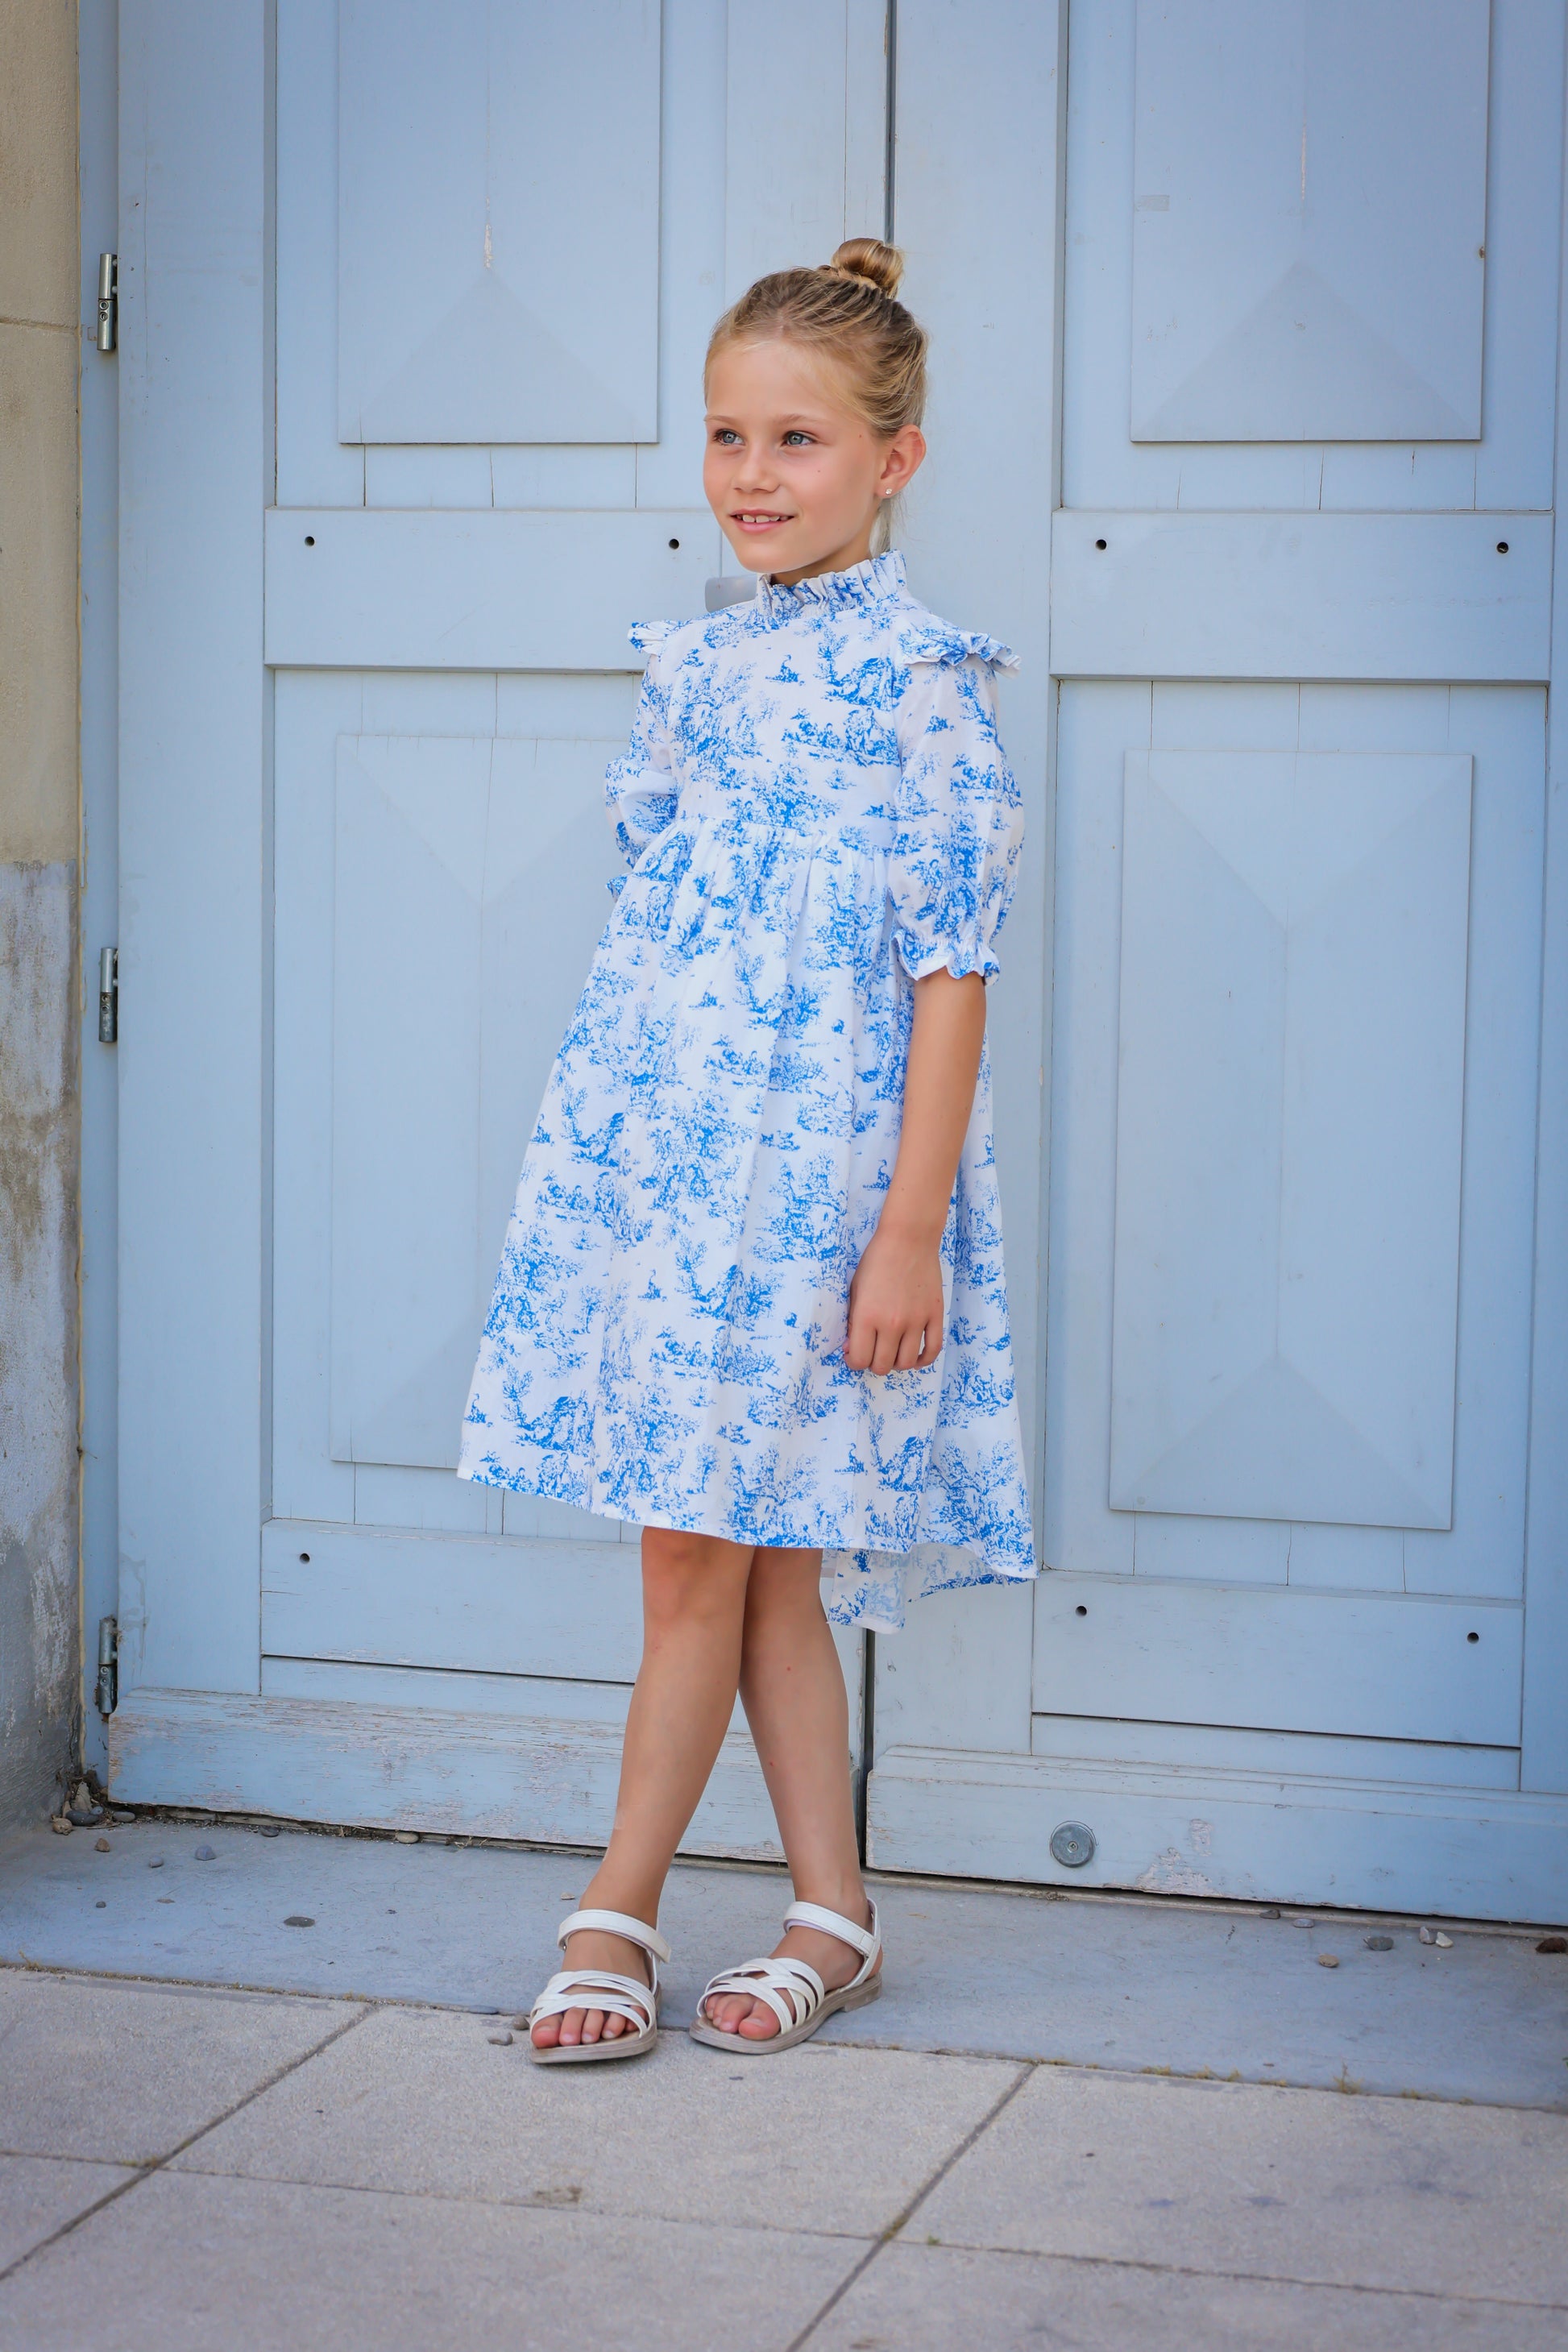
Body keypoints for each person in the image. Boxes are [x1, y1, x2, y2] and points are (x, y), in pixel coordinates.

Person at [459, 239, 1035, 2062]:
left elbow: (951, 972)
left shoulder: (925, 682)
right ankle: (834, 1911)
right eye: (727, 434)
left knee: (695, 1556)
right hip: (672, 1180)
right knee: (756, 1554)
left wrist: (909, 1230)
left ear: (895, 459)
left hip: (827, 1194)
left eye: (797, 438)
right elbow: (667, 937)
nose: (753, 475)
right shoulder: (694, 667)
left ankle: (610, 1910)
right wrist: (618, 1171)